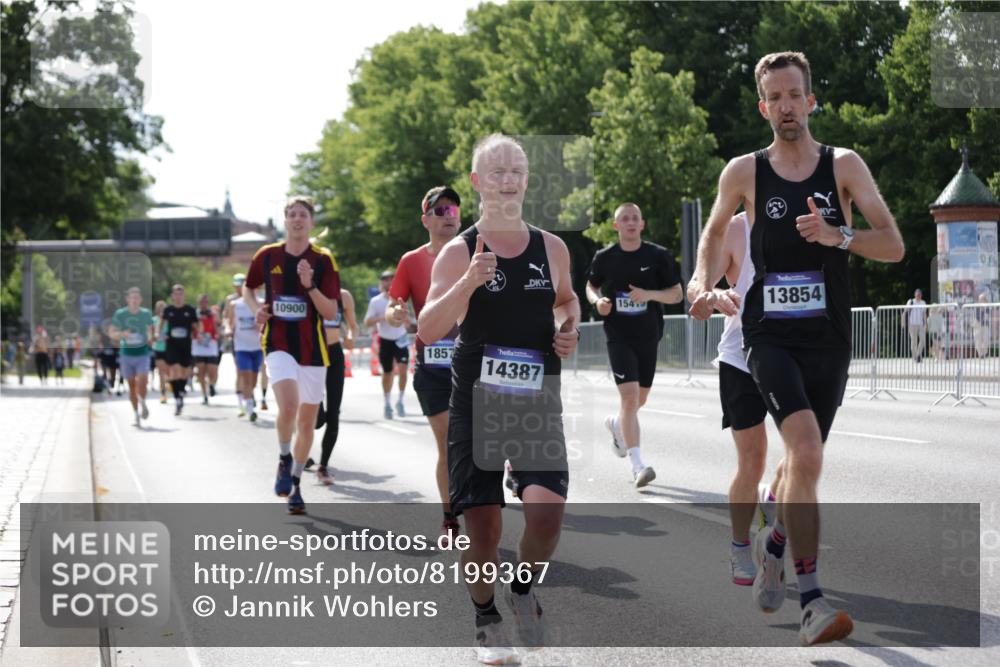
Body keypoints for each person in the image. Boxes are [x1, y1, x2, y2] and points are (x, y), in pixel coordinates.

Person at [688, 52, 904, 646]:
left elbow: (894, 246)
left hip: (829, 338)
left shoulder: (843, 165)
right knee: (805, 449)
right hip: (768, 335)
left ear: (811, 101)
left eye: (795, 95)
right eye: (774, 97)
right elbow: (711, 234)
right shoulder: (744, 172)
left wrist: (842, 236)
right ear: (764, 107)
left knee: (801, 465)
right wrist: (701, 283)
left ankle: (776, 542)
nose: (786, 105)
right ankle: (812, 602)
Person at [419, 134, 580, 663]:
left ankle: (523, 589)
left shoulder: (552, 248)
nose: (507, 180)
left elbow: (566, 302)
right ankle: (486, 618)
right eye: (496, 173)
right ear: (477, 182)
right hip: (476, 403)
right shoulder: (459, 250)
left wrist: (568, 326)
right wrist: (466, 282)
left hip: (535, 397)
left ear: (527, 178)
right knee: (484, 529)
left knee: (546, 518)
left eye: (516, 171)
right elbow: (427, 329)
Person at [688, 211, 786, 585]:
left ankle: (772, 496)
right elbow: (698, 282)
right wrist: (707, 296)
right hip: (740, 356)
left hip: (793, 353)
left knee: (803, 449)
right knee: (753, 457)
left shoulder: (803, 217)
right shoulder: (736, 227)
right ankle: (740, 544)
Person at [244, 195, 340, 515]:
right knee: (287, 405)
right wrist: (258, 310)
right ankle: (284, 457)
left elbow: (329, 311)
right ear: (285, 221)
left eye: (303, 215)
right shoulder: (267, 255)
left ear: (312, 222)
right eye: (292, 215)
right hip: (278, 343)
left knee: (307, 422)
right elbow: (248, 288)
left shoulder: (323, 260)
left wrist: (309, 285)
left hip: (314, 351)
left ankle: (296, 483)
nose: (298, 220)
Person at [584, 202, 682, 488]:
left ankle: (617, 425)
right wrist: (597, 302)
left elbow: (676, 295)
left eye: (634, 218)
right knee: (629, 399)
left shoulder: (658, 256)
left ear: (642, 225)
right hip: (618, 336)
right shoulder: (605, 257)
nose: (629, 222)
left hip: (649, 335)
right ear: (616, 226)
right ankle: (638, 465)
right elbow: (591, 286)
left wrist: (648, 294)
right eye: (624, 219)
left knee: (640, 400)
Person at [387, 185, 464, 536]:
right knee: (448, 441)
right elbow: (394, 305)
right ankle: (450, 516)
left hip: (475, 362)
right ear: (426, 220)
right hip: (432, 364)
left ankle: (503, 468)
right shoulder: (411, 260)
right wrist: (396, 313)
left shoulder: (478, 252)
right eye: (440, 211)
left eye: (453, 210)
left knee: (484, 437)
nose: (449, 216)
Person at [312, 288, 359, 484]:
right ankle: (300, 447)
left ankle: (323, 466)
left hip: (335, 354)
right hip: (313, 354)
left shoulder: (344, 296)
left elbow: (353, 326)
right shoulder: (310, 292)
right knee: (316, 419)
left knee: (333, 414)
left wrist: (350, 337)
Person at [365, 270, 410, 419]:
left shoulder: (401, 299)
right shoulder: (376, 301)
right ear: (381, 282)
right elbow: (367, 322)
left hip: (401, 338)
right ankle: (387, 403)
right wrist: (384, 317)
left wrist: (408, 321)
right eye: (385, 279)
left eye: (392, 279)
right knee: (387, 373)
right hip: (385, 340)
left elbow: (409, 322)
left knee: (403, 371)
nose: (389, 282)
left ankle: (401, 401)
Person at [109, 287, 155, 426]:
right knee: (131, 385)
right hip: (127, 354)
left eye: (137, 298)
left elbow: (151, 331)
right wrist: (123, 334)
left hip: (142, 353)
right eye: (132, 298)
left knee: (143, 380)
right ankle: (136, 414)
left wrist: (150, 337)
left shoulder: (146, 314)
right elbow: (112, 333)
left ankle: (142, 401)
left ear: (140, 300)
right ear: (127, 299)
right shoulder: (120, 314)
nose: (134, 300)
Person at [229, 278, 265, 422]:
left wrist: (260, 326)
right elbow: (229, 321)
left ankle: (249, 398)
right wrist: (227, 329)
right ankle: (250, 409)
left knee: (254, 380)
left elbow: (267, 323)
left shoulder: (261, 303)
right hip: (241, 347)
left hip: (257, 347)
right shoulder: (235, 305)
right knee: (245, 376)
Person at [162, 284, 199, 415]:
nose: (178, 297)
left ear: (184, 296)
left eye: (181, 294)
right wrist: (157, 335)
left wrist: (199, 335)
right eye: (176, 294)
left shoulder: (190, 310)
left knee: (185, 372)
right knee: (174, 370)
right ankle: (177, 398)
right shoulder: (168, 310)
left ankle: (181, 392)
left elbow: (195, 326)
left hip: (186, 344)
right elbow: (161, 325)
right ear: (172, 296)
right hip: (172, 344)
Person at [223, 274, 250, 415]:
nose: (239, 288)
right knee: (240, 370)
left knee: (252, 371)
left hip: (253, 341)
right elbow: (226, 317)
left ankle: (248, 395)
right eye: (237, 285)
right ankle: (242, 401)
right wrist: (228, 329)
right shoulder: (231, 300)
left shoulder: (252, 298)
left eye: (241, 285)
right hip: (237, 340)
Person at [192, 294, 221, 405]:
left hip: (211, 345)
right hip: (198, 346)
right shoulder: (195, 314)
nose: (204, 303)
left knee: (213, 370)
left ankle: (212, 384)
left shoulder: (212, 313)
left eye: (206, 301)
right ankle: (204, 395)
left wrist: (217, 329)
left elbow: (218, 325)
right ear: (198, 302)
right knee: (201, 372)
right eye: (202, 301)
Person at [151, 300, 171, 403]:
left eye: (163, 307)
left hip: (169, 348)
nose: (161, 309)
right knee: (161, 372)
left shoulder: (170, 320)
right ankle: (163, 394)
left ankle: (169, 384)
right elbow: (150, 334)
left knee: (169, 371)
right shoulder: (153, 320)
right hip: (158, 348)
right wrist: (154, 336)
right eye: (159, 307)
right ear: (156, 309)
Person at [903, 288, 927, 363]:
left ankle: (917, 355)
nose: (918, 296)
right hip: (912, 324)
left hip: (920, 324)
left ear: (921, 295)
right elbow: (905, 312)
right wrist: (903, 323)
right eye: (917, 294)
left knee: (923, 340)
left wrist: (925, 324)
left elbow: (924, 314)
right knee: (914, 341)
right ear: (915, 295)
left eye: (920, 295)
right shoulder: (910, 301)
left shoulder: (923, 302)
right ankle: (914, 357)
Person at [973, 292, 992, 358]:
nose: (981, 301)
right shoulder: (977, 307)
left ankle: (985, 352)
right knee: (978, 340)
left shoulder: (987, 307)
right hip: (978, 325)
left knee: (986, 339)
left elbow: (988, 315)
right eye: (980, 299)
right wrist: (980, 320)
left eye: (983, 299)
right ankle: (980, 354)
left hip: (985, 325)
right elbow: (976, 316)